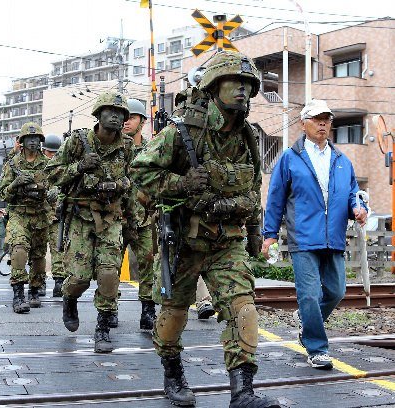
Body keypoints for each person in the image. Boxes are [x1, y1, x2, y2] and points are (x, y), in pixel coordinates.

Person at [131, 51, 281, 408]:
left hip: (227, 241)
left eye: (248, 84)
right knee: (172, 314)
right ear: (214, 87)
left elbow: (251, 188)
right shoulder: (181, 132)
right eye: (235, 82)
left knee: (242, 309)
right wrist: (180, 184)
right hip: (183, 240)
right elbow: (139, 174)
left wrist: (256, 232)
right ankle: (172, 373)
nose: (243, 90)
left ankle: (243, 393)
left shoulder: (246, 136)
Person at [262, 99, 367, 370]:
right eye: (317, 119)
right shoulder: (290, 157)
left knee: (336, 291)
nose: (323, 124)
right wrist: (269, 234)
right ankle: (317, 348)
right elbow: (275, 198)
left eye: (327, 119)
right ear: (303, 123)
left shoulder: (341, 160)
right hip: (303, 237)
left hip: (333, 236)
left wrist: (359, 207)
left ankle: (308, 323)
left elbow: (353, 191)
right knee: (309, 295)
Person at [46, 91, 135, 353]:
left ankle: (103, 328)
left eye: (121, 113)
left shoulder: (127, 147)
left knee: (109, 274)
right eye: (111, 111)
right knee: (80, 278)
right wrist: (79, 167)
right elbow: (52, 174)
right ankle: (69, 298)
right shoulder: (78, 142)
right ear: (98, 114)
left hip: (111, 218)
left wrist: (131, 220)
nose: (116, 117)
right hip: (81, 217)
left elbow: (133, 183)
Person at [0, 122, 50, 313]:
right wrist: (16, 184)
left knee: (38, 256)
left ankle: (35, 290)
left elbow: (56, 188)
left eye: (37, 138)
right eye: (30, 138)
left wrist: (49, 192)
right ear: (22, 141)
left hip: (40, 214)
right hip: (19, 214)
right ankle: (18, 294)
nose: (34, 142)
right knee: (19, 250)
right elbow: (2, 194)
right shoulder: (12, 165)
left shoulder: (48, 165)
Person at [121, 98, 156, 330]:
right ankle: (109, 310)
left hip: (144, 218)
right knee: (110, 266)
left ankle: (148, 309)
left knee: (147, 263)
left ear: (142, 121)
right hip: (116, 217)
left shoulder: (153, 148)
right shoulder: (113, 149)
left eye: (131, 117)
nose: (126, 122)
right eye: (124, 117)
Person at [41, 134, 67, 298]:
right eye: (50, 152)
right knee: (38, 251)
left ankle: (59, 281)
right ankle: (39, 281)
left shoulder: (62, 166)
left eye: (55, 152)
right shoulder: (38, 166)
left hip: (57, 215)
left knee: (58, 249)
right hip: (39, 215)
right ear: (44, 151)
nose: (52, 155)